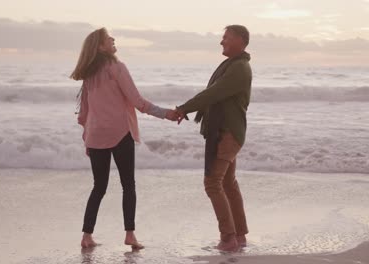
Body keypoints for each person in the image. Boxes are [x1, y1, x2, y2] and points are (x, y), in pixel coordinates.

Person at [70, 28, 178, 249]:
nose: (112, 39)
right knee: (128, 185)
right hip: (120, 133)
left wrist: (87, 139)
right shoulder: (117, 68)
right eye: (108, 38)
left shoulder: (89, 76)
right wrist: (166, 113)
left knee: (98, 187)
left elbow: (84, 114)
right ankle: (130, 235)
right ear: (101, 47)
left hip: (96, 136)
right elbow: (138, 102)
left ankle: (86, 236)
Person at [175, 25, 252, 252]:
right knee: (228, 183)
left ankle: (228, 238)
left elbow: (213, 94)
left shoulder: (239, 68)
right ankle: (239, 235)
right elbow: (215, 94)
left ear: (240, 40)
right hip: (227, 131)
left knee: (212, 183)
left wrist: (183, 109)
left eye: (226, 38)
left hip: (227, 133)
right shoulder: (232, 65)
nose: (221, 42)